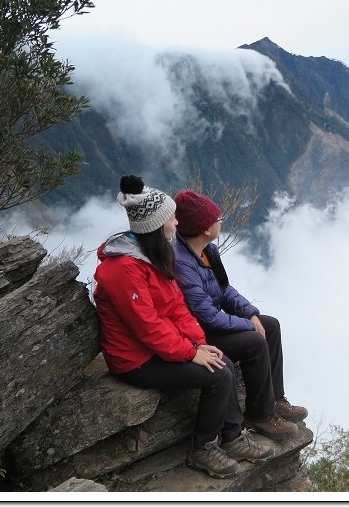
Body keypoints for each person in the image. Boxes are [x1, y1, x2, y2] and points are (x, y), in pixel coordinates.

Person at [93, 175, 273, 479]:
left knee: (220, 361)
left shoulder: (152, 255)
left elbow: (176, 306)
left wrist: (199, 343)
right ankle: (202, 448)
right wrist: (190, 352)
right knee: (218, 374)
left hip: (158, 345)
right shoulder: (124, 269)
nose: (177, 223)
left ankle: (232, 438)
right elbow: (147, 327)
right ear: (156, 224)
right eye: (171, 217)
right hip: (134, 360)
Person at [172, 190, 307, 441]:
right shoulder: (182, 264)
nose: (220, 221)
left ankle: (275, 399)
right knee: (254, 341)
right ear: (205, 229)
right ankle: (260, 414)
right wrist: (247, 325)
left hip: (212, 323)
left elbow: (224, 289)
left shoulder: (207, 251)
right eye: (216, 218)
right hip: (199, 335)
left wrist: (251, 314)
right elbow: (208, 316)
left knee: (270, 325)